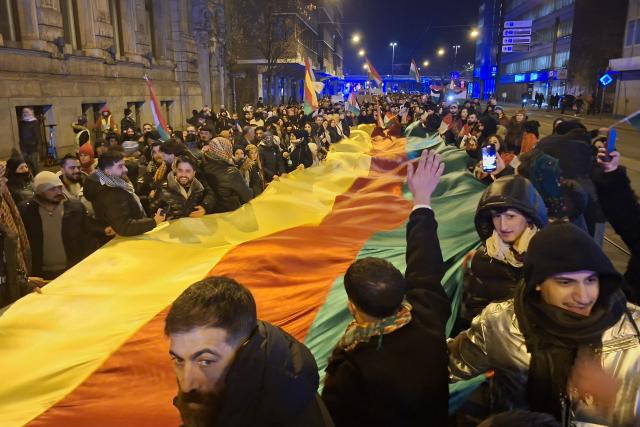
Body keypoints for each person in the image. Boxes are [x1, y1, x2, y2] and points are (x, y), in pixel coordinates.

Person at [449, 222, 640, 426]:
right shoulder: (501, 324)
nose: (583, 296)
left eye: (590, 280)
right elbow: (447, 364)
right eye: (565, 282)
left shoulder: (634, 332)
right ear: (538, 283)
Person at [322, 150, 450, 427]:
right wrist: (422, 199)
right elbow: (425, 262)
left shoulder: (351, 368)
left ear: (352, 307)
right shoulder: (428, 316)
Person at [165, 276, 333, 426]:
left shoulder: (287, 406)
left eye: (206, 361)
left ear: (246, 348)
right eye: (179, 360)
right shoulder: (264, 378)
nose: (187, 385)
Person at [458, 175, 547, 330]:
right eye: (496, 216)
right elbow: (473, 312)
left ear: (529, 217)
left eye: (510, 216)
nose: (503, 225)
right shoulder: (483, 258)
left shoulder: (551, 253)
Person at [18, 171, 105, 280]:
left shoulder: (74, 208)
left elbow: (89, 230)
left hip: (72, 270)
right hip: (41, 274)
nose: (58, 191)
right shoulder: (26, 211)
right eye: (52, 189)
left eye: (59, 187)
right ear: (40, 191)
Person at [90, 150, 165, 237]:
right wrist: (154, 222)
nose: (125, 169)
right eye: (120, 166)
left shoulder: (116, 184)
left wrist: (148, 199)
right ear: (107, 172)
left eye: (124, 165)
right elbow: (124, 227)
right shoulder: (109, 193)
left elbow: (127, 204)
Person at [150, 156, 215, 220]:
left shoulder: (200, 185)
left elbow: (210, 194)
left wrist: (205, 207)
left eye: (188, 171)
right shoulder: (163, 188)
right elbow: (154, 210)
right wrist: (164, 216)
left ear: (194, 173)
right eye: (180, 170)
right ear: (176, 171)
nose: (183, 175)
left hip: (194, 226)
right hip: (173, 228)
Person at [202, 137, 253, 213]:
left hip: (209, 213)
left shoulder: (202, 164)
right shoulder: (232, 172)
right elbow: (247, 196)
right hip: (229, 213)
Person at [18, 107, 42, 174]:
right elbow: (21, 135)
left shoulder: (34, 122)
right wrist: (21, 145)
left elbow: (37, 135)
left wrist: (38, 146)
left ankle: (36, 177)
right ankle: (30, 177)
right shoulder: (22, 123)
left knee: (34, 164)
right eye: (24, 112)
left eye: (27, 112)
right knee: (27, 164)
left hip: (33, 147)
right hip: (24, 148)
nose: (25, 114)